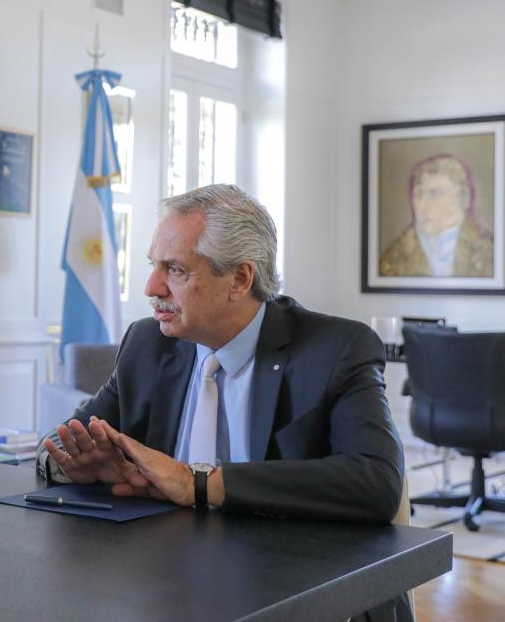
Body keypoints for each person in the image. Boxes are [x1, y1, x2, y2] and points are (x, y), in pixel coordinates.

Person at [40, 184, 404, 523]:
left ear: (240, 280)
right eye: (155, 265)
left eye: (176, 270)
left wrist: (198, 483)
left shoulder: (335, 350)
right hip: (161, 570)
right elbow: (58, 442)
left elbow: (377, 481)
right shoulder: (147, 343)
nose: (152, 287)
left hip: (285, 573)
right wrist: (74, 465)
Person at [378, 154, 493, 277]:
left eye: (435, 193)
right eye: (418, 194)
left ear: (461, 198)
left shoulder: (489, 250)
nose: (423, 204)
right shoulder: (394, 257)